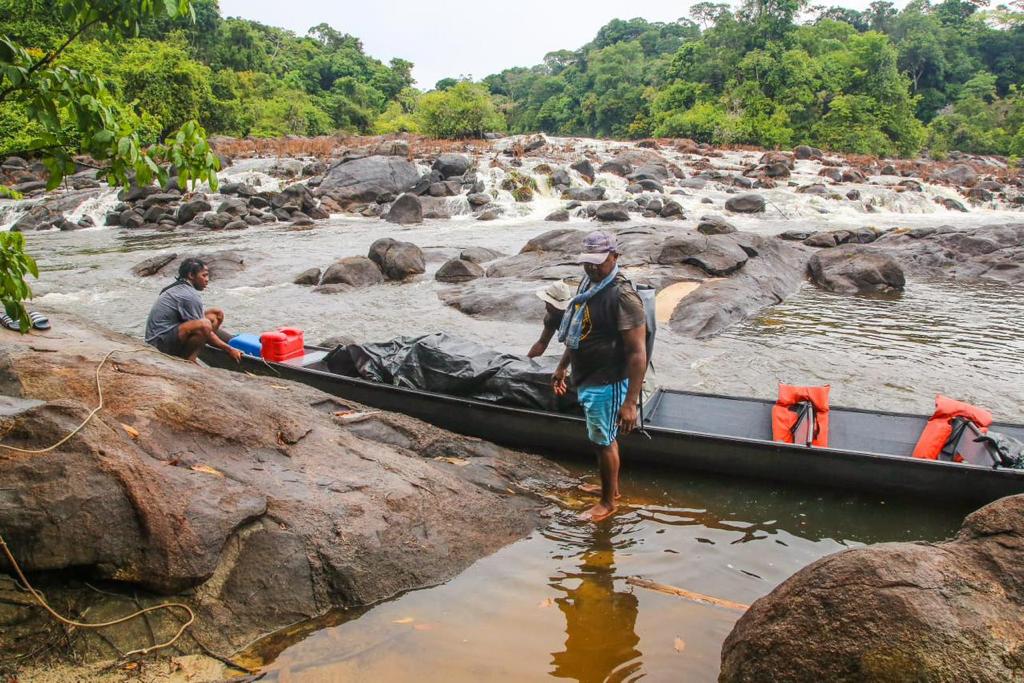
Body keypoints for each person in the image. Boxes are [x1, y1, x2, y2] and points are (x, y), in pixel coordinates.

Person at [552, 231, 647, 523]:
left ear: (614, 257)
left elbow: (637, 352)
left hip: (608, 380)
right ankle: (611, 489)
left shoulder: (622, 296)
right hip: (587, 374)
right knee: (603, 437)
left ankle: (607, 503)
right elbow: (578, 332)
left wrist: (630, 402)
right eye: (588, 262)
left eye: (599, 262)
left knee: (602, 440)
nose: (592, 267)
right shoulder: (589, 284)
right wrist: (562, 365)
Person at [144, 258, 242, 364]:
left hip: (170, 334)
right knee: (204, 325)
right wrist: (229, 349)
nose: (207, 279)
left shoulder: (180, 287)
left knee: (215, 314)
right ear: (191, 276)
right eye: (204, 275)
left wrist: (229, 340)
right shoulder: (188, 295)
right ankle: (188, 359)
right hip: (159, 343)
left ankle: (197, 350)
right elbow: (205, 327)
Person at [527, 280, 573, 358]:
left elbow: (573, 347)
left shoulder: (575, 319)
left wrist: (561, 368)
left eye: (548, 304)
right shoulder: (551, 318)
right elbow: (542, 343)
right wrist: (527, 360)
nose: (545, 307)